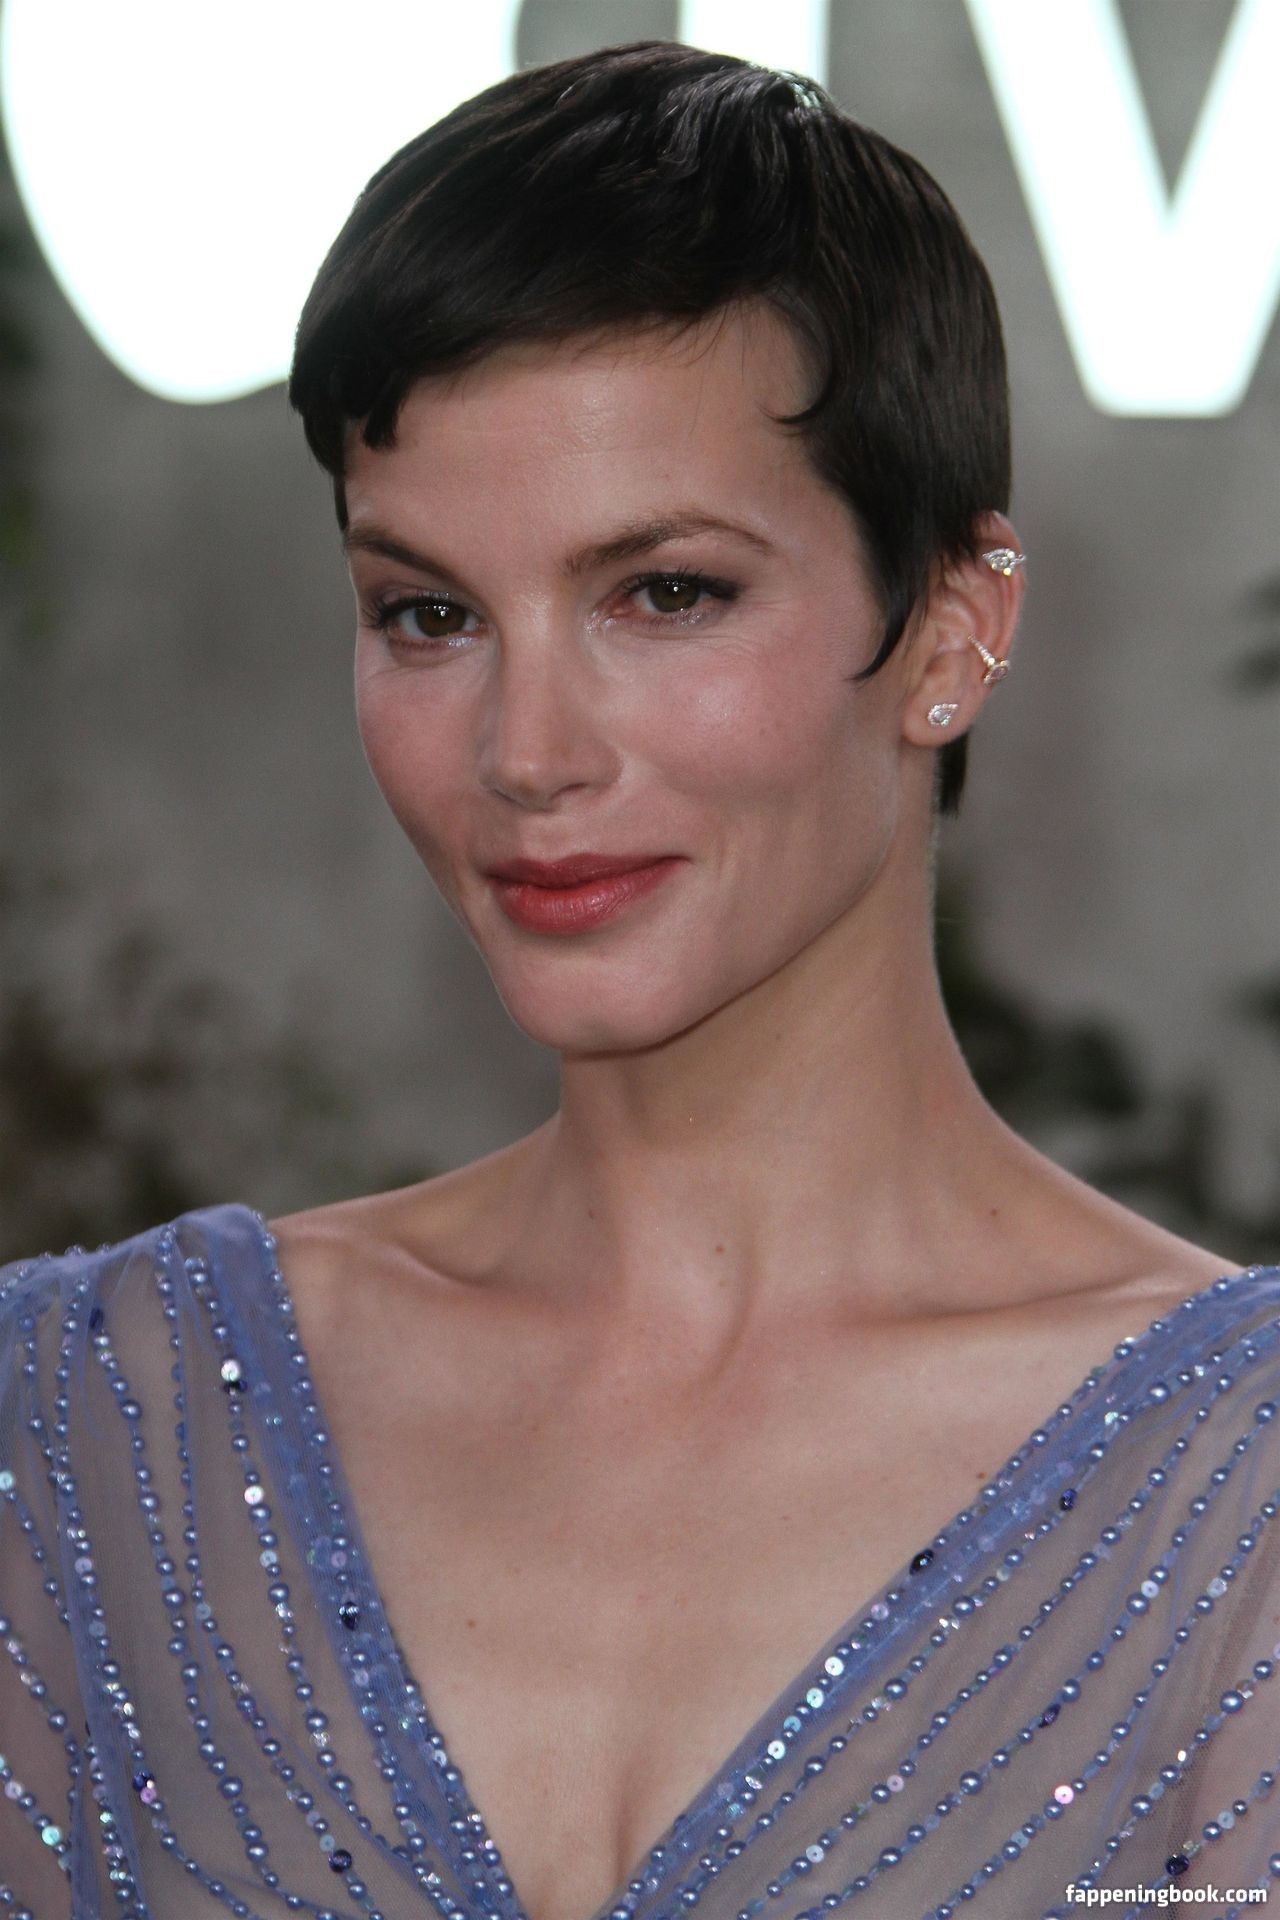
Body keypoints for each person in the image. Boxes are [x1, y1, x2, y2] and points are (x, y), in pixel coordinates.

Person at [1, 38, 1277, 1920]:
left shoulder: (1242, 1498)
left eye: (664, 593)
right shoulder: (85, 1423)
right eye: (429, 614)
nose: (525, 752)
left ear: (951, 628)